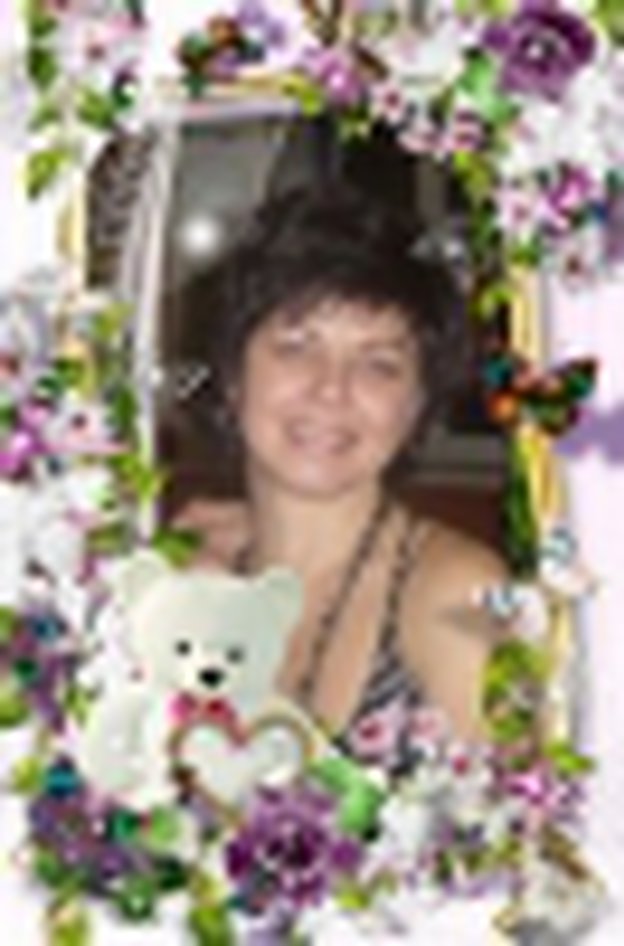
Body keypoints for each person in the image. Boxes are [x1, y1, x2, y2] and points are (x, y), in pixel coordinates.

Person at [173, 181, 507, 765]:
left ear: (417, 404)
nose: (332, 389)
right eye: (297, 347)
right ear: (231, 375)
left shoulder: (458, 595)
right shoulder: (188, 574)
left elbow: (533, 815)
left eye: (379, 365)